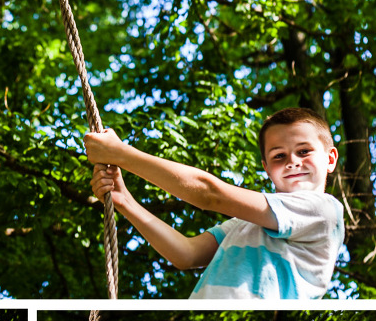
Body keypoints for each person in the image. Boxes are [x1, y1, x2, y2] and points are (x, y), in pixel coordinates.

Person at [84, 107, 345, 298]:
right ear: (266, 167)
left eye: (304, 151)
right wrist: (125, 201)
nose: (292, 162)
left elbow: (210, 194)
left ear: (330, 159)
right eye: (279, 156)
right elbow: (187, 254)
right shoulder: (248, 224)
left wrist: (120, 154)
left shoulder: (324, 210)